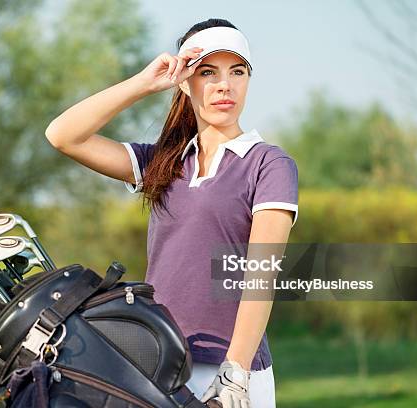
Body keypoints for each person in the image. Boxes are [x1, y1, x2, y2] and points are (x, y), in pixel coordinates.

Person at [44, 18, 298, 408]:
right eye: (208, 72)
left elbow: (261, 275)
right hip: (158, 363)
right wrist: (144, 83)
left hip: (231, 373)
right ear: (185, 81)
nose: (224, 85)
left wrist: (235, 374)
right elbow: (63, 135)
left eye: (237, 71)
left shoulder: (269, 164)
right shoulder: (163, 163)